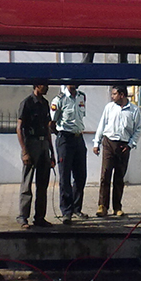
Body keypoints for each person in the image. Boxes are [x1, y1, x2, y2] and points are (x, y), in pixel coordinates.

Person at [93, 85, 141, 217]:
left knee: (119, 177)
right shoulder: (109, 107)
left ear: (122, 95)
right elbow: (102, 125)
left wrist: (130, 145)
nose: (112, 96)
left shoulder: (134, 110)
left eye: (114, 94)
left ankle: (117, 207)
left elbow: (138, 129)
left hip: (123, 145)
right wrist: (96, 143)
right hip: (109, 143)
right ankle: (102, 206)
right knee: (105, 174)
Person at [16, 84, 55, 229]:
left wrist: (51, 152)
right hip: (31, 144)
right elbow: (19, 128)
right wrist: (25, 151)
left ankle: (39, 218)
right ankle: (23, 217)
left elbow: (47, 128)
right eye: (44, 84)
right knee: (27, 183)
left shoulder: (45, 103)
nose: (47, 87)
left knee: (42, 184)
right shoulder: (27, 103)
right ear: (37, 85)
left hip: (43, 144)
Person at [50, 85, 88, 225]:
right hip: (65, 138)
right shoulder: (59, 99)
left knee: (81, 175)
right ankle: (66, 211)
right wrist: (61, 136)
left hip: (79, 138)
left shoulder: (81, 96)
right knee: (65, 176)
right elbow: (52, 122)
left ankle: (77, 208)